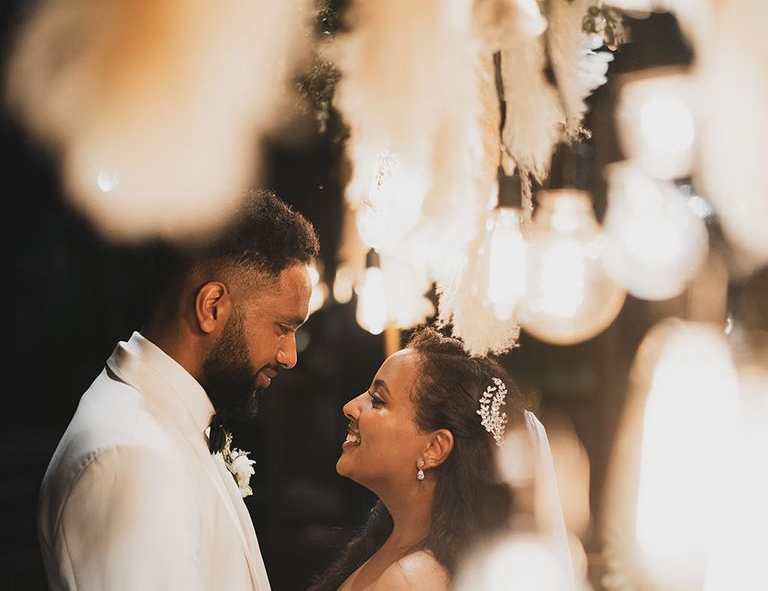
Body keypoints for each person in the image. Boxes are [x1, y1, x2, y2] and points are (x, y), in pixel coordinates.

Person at [38, 189, 319, 590]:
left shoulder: (168, 423)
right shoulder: (129, 457)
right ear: (212, 307)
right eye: (283, 327)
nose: (290, 355)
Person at [310, 327, 534, 591]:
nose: (350, 407)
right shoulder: (384, 545)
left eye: (377, 400)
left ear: (434, 448)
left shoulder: (409, 580)